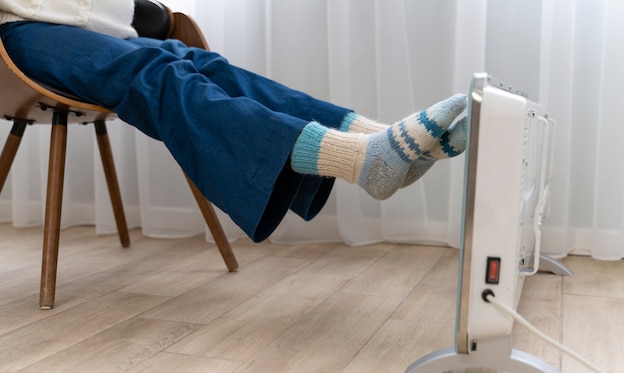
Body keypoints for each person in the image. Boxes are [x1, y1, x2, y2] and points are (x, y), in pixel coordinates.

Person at [0, 0, 467, 242]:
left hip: (106, 34)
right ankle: (360, 159)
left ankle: (376, 140)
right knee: (154, 74)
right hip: (21, 34)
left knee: (204, 64)